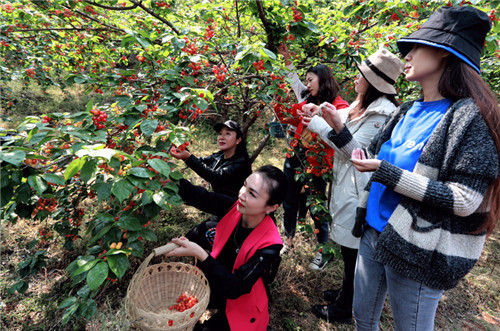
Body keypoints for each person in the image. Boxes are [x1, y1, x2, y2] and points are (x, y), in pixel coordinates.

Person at [347, 6, 500, 330]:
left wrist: (386, 172)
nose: (408, 54)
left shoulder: (469, 117)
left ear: (445, 54)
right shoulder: (406, 111)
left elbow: (464, 199)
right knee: (362, 317)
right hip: (375, 231)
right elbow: (369, 161)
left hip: (419, 248)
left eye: (417, 46)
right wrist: (337, 129)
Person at [298, 47, 403, 324]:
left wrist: (320, 126)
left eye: (362, 75)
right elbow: (339, 120)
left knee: (354, 253)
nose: (356, 79)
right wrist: (318, 110)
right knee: (349, 250)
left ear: (374, 83)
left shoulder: (383, 114)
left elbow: (356, 153)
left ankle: (345, 309)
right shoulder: (361, 106)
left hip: (360, 191)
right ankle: (347, 294)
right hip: (346, 186)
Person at [165, 165, 288, 331]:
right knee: (179, 306)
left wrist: (200, 253)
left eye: (252, 194)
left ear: (271, 207)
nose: (242, 194)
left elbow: (236, 287)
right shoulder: (235, 206)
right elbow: (200, 196)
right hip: (218, 280)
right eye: (244, 185)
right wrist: (166, 177)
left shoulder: (270, 245)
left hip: (241, 298)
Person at [277, 42, 349, 270]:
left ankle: (323, 250)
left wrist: (322, 112)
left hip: (317, 164)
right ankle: (287, 241)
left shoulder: (339, 106)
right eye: (306, 80)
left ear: (323, 81)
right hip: (295, 159)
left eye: (311, 80)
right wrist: (287, 58)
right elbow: (294, 82)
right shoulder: (306, 98)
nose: (307, 84)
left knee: (316, 207)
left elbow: (343, 128)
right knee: (289, 203)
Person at [170, 120, 252, 198]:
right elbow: (200, 161)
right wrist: (181, 147)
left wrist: (187, 157)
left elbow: (214, 177)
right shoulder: (219, 155)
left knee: (196, 194)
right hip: (220, 202)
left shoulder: (241, 162)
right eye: (220, 133)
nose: (221, 137)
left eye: (227, 133)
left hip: (234, 207)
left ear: (238, 140)